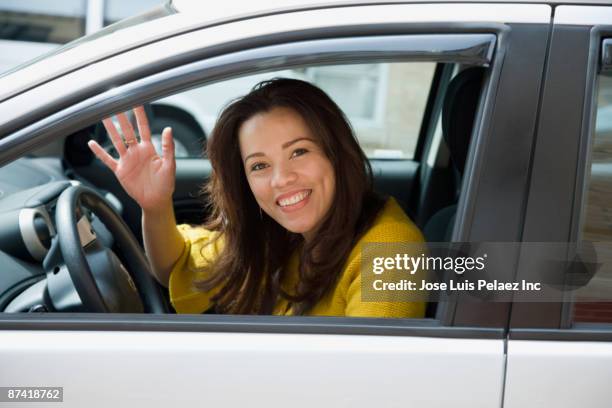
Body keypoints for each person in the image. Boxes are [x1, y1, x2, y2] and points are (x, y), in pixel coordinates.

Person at [88, 78, 425, 317]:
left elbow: (369, 383)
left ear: (336, 153)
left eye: (299, 152)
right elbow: (175, 268)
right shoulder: (281, 234)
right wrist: (156, 205)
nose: (281, 180)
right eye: (260, 165)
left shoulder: (393, 252)